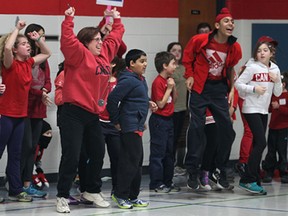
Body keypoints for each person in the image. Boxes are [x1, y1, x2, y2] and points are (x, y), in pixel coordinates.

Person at [56, 6, 124, 213]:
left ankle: (91, 190)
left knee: (97, 152)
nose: (100, 42)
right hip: (72, 113)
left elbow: (115, 38)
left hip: (93, 115)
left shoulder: (104, 54)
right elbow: (67, 40)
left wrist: (117, 20)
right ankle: (61, 196)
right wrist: (69, 19)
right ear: (86, 42)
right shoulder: (77, 54)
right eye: (96, 40)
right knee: (72, 155)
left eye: (100, 40)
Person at [182, 7, 242, 190]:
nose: (230, 24)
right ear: (217, 25)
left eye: (232, 21)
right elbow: (187, 58)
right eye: (226, 21)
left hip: (218, 90)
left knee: (227, 131)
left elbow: (230, 69)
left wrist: (232, 90)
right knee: (197, 129)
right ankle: (192, 170)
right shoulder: (200, 40)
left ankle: (221, 169)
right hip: (201, 87)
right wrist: (190, 75)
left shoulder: (234, 46)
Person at [0, 18, 51, 202]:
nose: (27, 46)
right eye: (23, 44)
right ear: (15, 49)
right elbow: (6, 49)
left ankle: (15, 189)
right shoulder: (9, 64)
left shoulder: (28, 63)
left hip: (21, 117)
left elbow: (47, 53)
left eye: (27, 44)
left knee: (15, 155)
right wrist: (16, 29)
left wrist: (37, 39)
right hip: (5, 115)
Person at [107, 49, 157, 209]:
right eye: (142, 61)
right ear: (132, 63)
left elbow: (137, 98)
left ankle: (132, 196)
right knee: (130, 162)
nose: (145, 64)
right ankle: (120, 194)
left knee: (137, 161)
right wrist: (115, 120)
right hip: (128, 125)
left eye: (145, 60)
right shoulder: (128, 79)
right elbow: (112, 100)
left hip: (137, 125)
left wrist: (148, 103)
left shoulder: (140, 79)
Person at [235, 38, 282, 195]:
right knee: (262, 142)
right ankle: (247, 178)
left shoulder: (275, 68)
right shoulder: (252, 66)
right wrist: (253, 90)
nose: (261, 53)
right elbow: (238, 84)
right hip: (250, 108)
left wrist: (276, 81)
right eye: (259, 50)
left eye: (265, 50)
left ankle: (254, 179)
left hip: (263, 110)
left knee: (257, 142)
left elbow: (277, 93)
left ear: (271, 53)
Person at [19, 23, 52, 198]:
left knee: (33, 147)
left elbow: (48, 81)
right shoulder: (26, 58)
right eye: (39, 36)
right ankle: (17, 183)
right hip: (24, 107)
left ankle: (27, 183)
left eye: (44, 35)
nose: (42, 39)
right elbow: (25, 84)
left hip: (39, 108)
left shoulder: (43, 60)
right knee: (25, 146)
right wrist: (39, 93)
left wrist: (45, 91)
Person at [149, 51, 180, 193]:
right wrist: (168, 88)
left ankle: (168, 181)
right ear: (164, 65)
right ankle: (156, 183)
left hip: (169, 120)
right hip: (159, 120)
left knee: (169, 153)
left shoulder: (169, 80)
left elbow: (174, 99)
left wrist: (173, 87)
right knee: (158, 153)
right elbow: (160, 104)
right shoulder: (158, 82)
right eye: (173, 64)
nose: (176, 66)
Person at [261, 72, 288, 184]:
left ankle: (284, 173)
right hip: (273, 127)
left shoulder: (286, 96)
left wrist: (279, 107)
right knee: (271, 150)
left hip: (283, 128)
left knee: (282, 151)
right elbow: (270, 110)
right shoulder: (274, 96)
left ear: (284, 84)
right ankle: (269, 171)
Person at [167, 42, 187, 176]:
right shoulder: (168, 69)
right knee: (172, 138)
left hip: (184, 108)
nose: (177, 53)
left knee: (182, 138)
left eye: (179, 50)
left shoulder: (185, 68)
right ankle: (169, 165)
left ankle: (180, 165)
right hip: (172, 109)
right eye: (174, 50)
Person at [32, 120, 52, 189]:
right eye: (47, 133)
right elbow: (30, 162)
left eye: (50, 133)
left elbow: (37, 161)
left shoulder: (41, 147)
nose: (50, 136)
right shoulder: (34, 147)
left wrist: (39, 172)